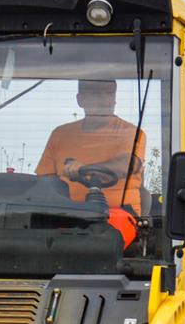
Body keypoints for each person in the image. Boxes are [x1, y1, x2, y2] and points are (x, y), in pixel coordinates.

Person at [35, 80, 146, 223]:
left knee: (105, 240)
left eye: (109, 94)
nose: (105, 100)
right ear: (80, 100)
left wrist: (84, 169)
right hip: (66, 214)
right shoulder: (61, 134)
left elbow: (127, 164)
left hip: (118, 215)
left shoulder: (130, 132)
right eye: (96, 94)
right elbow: (44, 182)